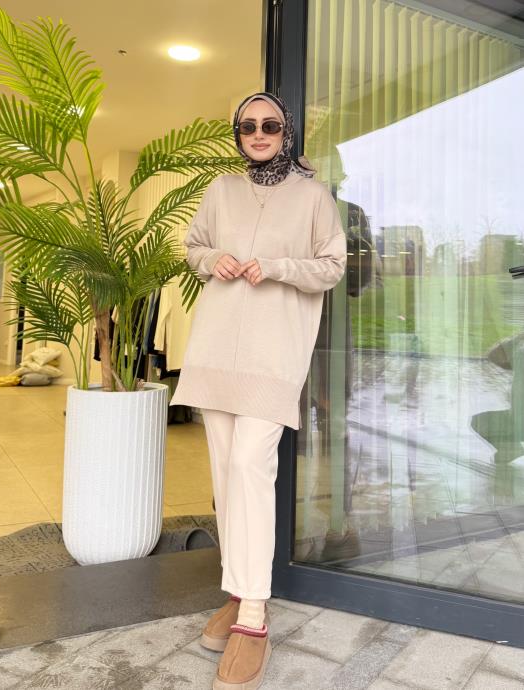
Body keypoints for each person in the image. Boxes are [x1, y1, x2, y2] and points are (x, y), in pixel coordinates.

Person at [169, 91, 347, 690]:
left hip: (273, 355)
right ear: (238, 134)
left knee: (250, 465)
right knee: (226, 472)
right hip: (215, 350)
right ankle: (239, 591)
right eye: (248, 126)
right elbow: (192, 247)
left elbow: (332, 266)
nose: (259, 133)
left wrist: (275, 266)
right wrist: (213, 258)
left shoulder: (313, 196)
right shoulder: (221, 190)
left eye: (270, 124)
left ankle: (253, 615)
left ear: (286, 131)